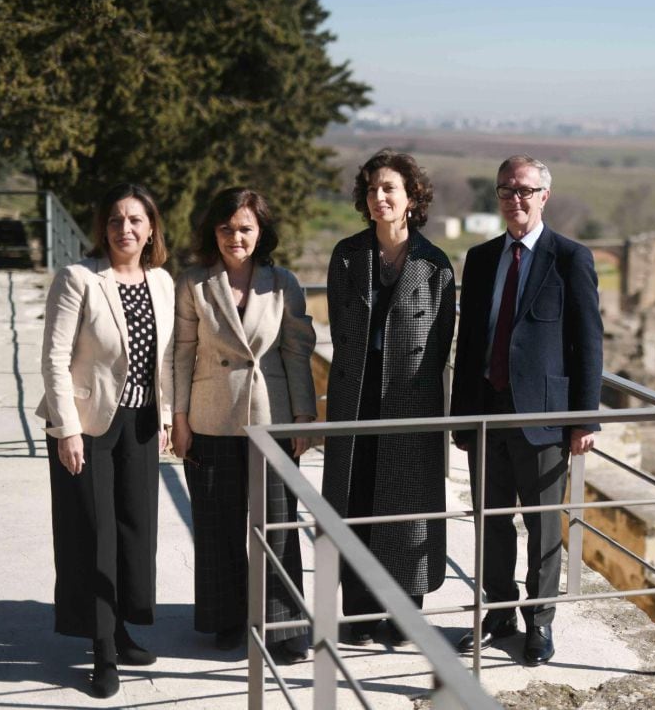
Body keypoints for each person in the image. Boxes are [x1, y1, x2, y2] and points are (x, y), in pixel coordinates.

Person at [451, 155, 603, 666]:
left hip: (544, 418)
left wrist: (585, 418)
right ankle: (498, 613)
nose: (514, 199)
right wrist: (461, 417)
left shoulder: (570, 258)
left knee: (541, 528)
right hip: (486, 412)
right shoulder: (480, 258)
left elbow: (588, 344)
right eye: (505, 190)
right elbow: (468, 342)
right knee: (490, 521)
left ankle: (539, 624)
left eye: (524, 190)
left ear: (544, 196)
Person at [37, 183, 175, 698]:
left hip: (141, 423)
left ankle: (120, 626)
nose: (125, 229)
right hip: (89, 425)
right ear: (103, 228)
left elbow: (165, 359)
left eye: (136, 220)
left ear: (151, 229)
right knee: (93, 537)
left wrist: (165, 416)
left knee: (134, 533)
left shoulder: (161, 281)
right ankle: (102, 651)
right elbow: (54, 358)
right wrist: (66, 427)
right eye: (116, 220)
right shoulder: (78, 278)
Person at [172, 188, 316, 665]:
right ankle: (228, 619)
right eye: (227, 228)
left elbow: (297, 352)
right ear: (213, 232)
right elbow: (182, 353)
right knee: (218, 525)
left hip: (271, 419)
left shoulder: (283, 283)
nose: (236, 237)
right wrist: (178, 417)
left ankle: (286, 626)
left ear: (262, 232)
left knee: (278, 526)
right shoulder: (193, 282)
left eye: (246, 228)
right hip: (211, 417)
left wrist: (302, 417)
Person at [323, 149, 456, 645]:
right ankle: (357, 614)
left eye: (390, 189)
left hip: (411, 400)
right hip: (356, 396)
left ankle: (404, 616)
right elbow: (340, 330)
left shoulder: (434, 265)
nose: (379, 197)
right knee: (355, 502)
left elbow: (440, 343)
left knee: (408, 510)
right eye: (372, 189)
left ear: (411, 198)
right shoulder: (346, 255)